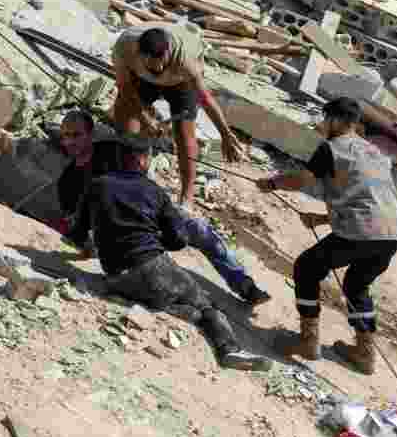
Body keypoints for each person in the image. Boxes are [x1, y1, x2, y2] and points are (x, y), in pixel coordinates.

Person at [65, 133, 271, 372]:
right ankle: (229, 350)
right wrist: (157, 242)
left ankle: (180, 311)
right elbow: (180, 239)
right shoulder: (154, 192)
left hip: (115, 276)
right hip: (152, 266)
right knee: (207, 307)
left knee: (169, 298)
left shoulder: (96, 185)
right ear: (142, 161)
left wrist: (91, 248)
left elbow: (76, 233)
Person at [255, 96, 397, 375]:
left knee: (307, 268)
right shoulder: (375, 153)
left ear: (336, 121)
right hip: (393, 233)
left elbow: (302, 181)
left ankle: (308, 341)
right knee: (356, 284)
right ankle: (364, 354)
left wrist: (273, 182)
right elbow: (371, 198)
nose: (322, 123)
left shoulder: (332, 149)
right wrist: (322, 218)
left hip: (361, 231)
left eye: (325, 118)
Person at [55, 109, 271, 307]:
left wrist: (152, 131)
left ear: (91, 134)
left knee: (199, 229)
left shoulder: (114, 150)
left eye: (76, 135)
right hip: (120, 239)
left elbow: (144, 163)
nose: (69, 141)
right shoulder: (67, 181)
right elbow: (77, 227)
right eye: (65, 136)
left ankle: (244, 285)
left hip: (150, 219)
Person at [111, 22, 245, 209]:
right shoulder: (125, 47)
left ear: (167, 53)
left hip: (181, 82)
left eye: (160, 65)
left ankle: (186, 197)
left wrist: (225, 133)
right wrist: (144, 118)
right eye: (151, 65)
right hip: (142, 79)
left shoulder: (186, 61)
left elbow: (205, 99)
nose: (157, 70)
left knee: (184, 134)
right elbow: (125, 87)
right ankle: (129, 172)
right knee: (124, 115)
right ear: (140, 55)